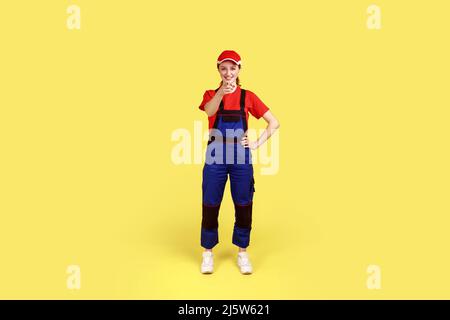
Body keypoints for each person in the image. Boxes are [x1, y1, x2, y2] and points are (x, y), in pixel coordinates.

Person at [198, 50, 280, 274]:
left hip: (240, 156)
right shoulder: (210, 94)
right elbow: (209, 111)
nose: (228, 73)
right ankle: (207, 253)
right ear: (218, 70)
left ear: (239, 70)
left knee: (244, 203)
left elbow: (274, 122)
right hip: (215, 154)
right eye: (223, 68)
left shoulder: (248, 96)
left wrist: (255, 143)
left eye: (232, 68)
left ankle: (242, 252)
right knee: (210, 202)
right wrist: (220, 94)